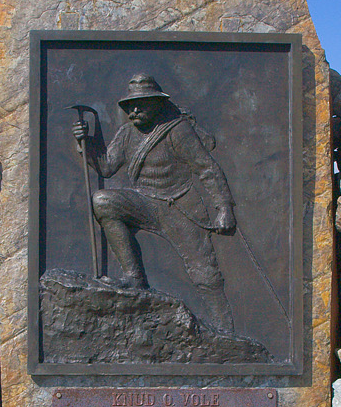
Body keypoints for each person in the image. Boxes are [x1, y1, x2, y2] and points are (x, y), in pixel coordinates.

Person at [72, 73, 238, 334]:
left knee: (204, 272)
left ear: (157, 103)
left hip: (179, 206)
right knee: (103, 201)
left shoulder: (177, 130)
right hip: (145, 202)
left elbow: (206, 168)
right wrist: (86, 144)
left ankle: (226, 329)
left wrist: (224, 207)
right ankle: (134, 278)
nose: (134, 110)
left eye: (142, 104)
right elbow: (106, 167)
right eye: (130, 105)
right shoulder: (127, 133)